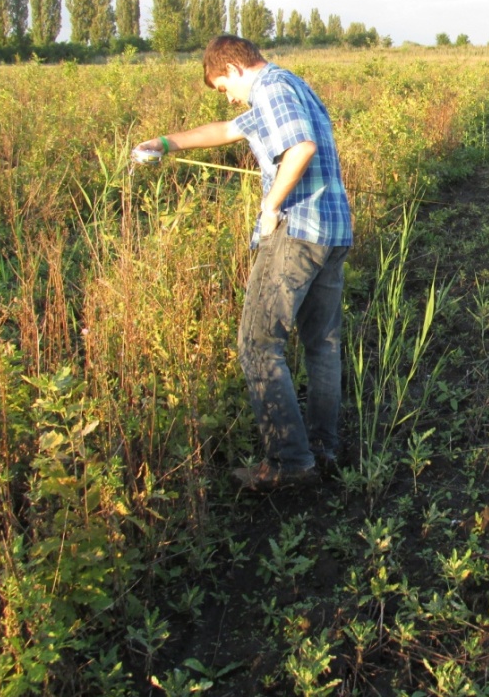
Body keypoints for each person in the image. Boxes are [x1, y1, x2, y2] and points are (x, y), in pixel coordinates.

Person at [133, 35, 353, 491]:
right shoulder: (290, 84)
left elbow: (301, 148)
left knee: (258, 344)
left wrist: (271, 206)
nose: (228, 96)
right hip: (333, 232)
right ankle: (323, 450)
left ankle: (290, 464)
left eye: (222, 87)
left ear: (233, 68)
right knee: (322, 345)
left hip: (296, 232)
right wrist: (164, 143)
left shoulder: (269, 88)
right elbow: (228, 130)